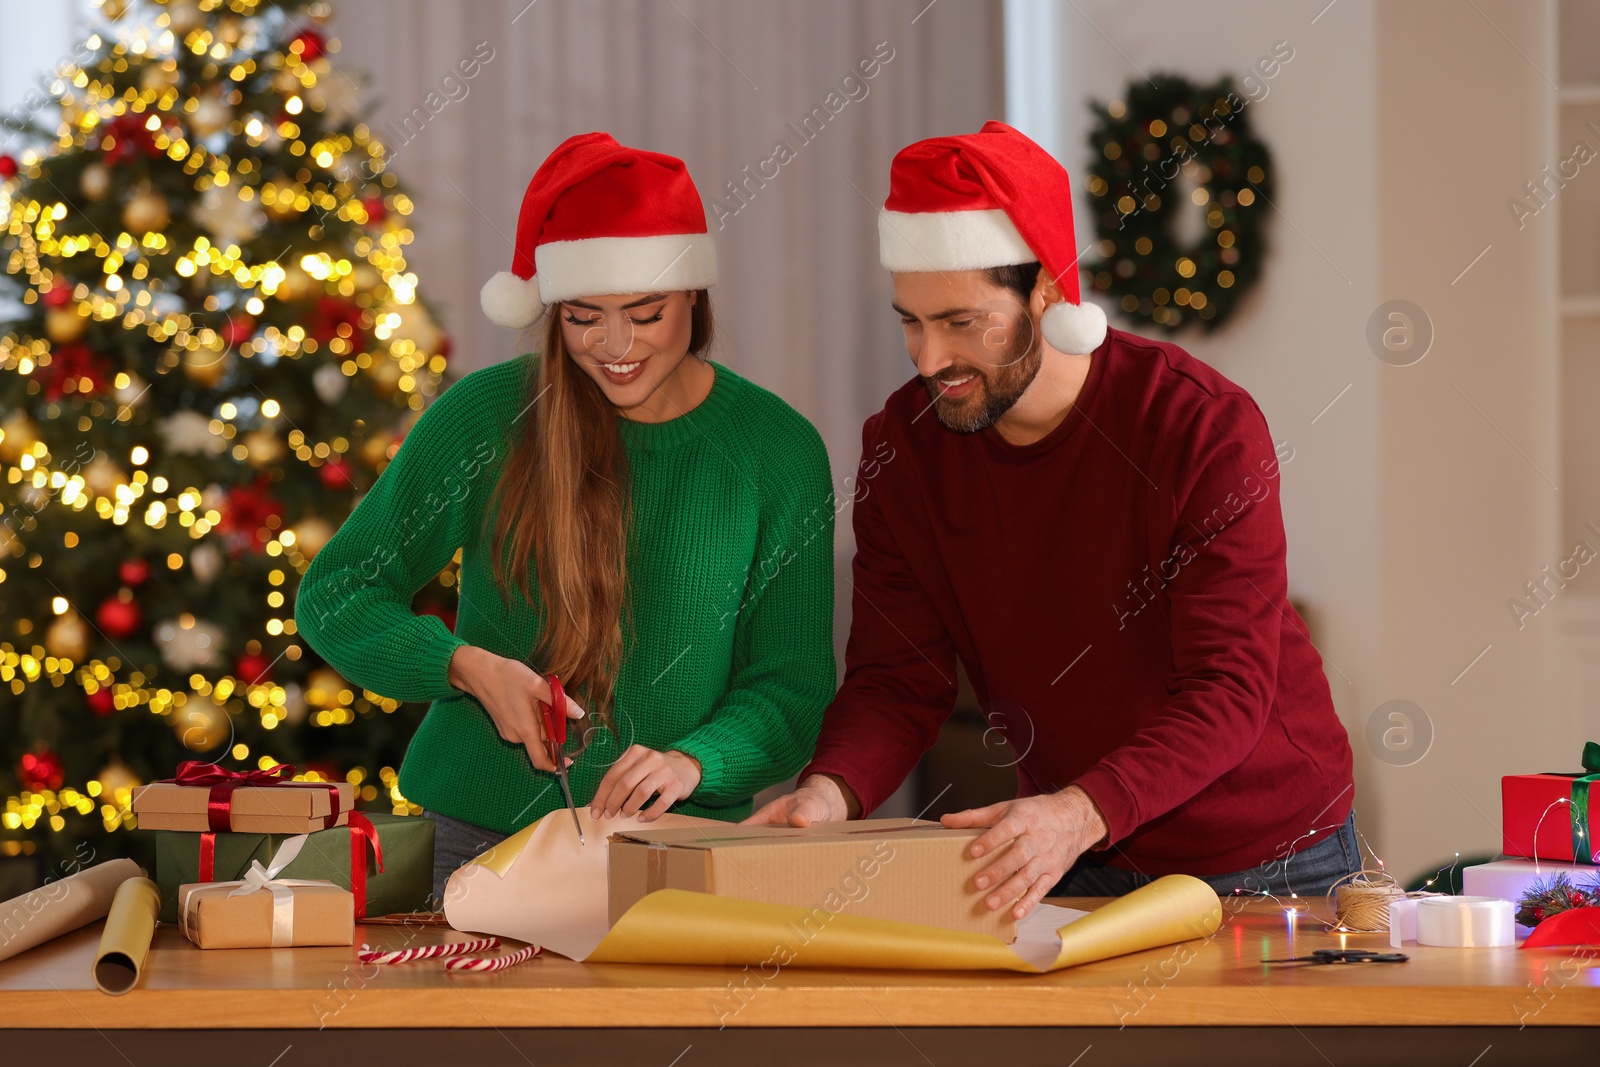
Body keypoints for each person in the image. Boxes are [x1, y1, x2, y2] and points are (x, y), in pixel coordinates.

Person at [748, 121, 1358, 918]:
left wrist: (1078, 812)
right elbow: (897, 680)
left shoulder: (1200, 429)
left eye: (963, 323)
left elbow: (1229, 688)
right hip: (1072, 847)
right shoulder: (904, 446)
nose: (929, 359)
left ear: (1046, 288)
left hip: (1270, 856)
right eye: (911, 321)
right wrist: (831, 792)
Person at [296, 132, 836, 905]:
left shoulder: (778, 450)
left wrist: (694, 761)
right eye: (584, 318)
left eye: (645, 313)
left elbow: (791, 686)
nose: (614, 347)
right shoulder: (487, 416)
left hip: (682, 857)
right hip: (475, 849)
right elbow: (337, 589)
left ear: (694, 295)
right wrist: (465, 666)